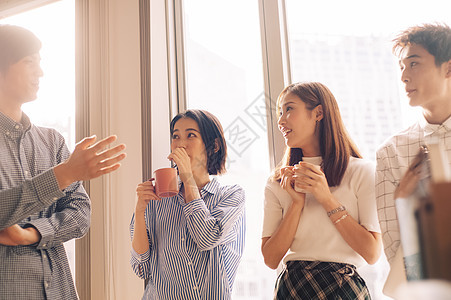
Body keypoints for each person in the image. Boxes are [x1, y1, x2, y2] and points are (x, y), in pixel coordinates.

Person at [0, 24, 126, 299]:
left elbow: (80, 214)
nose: (40, 72)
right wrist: (63, 175)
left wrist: (32, 233)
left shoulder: (52, 141)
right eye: (29, 62)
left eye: (40, 62)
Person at [261, 82, 382, 299]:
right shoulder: (278, 181)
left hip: (343, 289)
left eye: (289, 109)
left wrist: (326, 198)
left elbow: (372, 253)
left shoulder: (362, 172)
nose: (280, 121)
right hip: (292, 289)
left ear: (318, 113)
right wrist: (296, 205)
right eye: (280, 112)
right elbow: (270, 259)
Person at [130, 109, 245, 299]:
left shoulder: (231, 196)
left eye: (190, 135)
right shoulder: (158, 197)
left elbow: (207, 238)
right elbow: (141, 267)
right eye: (176, 136)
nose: (180, 144)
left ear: (214, 145)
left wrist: (187, 176)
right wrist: (140, 210)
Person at [376, 23, 451, 295]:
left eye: (414, 64)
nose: (404, 77)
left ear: (448, 68)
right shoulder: (391, 151)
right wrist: (406, 205)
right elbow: (396, 252)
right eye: (401, 67)